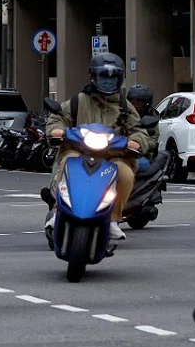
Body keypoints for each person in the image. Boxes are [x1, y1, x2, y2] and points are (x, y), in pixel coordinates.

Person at [43, 53, 155, 241]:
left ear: (120, 80)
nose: (107, 82)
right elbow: (58, 117)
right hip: (78, 151)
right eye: (103, 77)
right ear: (93, 77)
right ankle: (57, 212)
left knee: (126, 174)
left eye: (112, 78)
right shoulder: (78, 101)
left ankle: (112, 220)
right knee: (67, 163)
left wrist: (137, 141)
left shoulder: (126, 107)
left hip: (113, 156)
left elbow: (140, 130)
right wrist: (56, 130)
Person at [126, 83, 160, 172]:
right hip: (120, 152)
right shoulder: (123, 115)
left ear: (146, 104)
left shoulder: (151, 118)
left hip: (142, 154)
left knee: (135, 164)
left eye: (138, 103)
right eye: (131, 103)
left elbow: (153, 140)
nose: (134, 106)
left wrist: (138, 143)